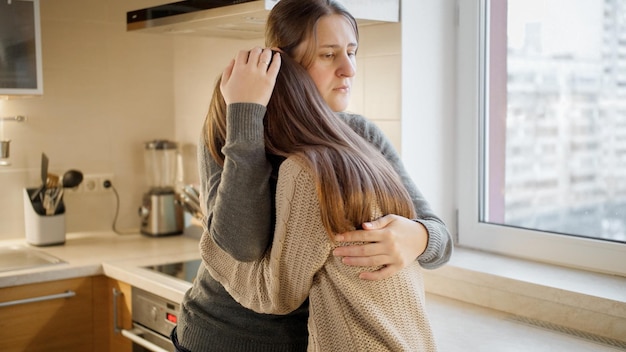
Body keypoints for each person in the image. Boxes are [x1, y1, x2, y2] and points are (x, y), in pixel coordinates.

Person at [172, 0, 452, 351]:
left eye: (351, 52)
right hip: (222, 338)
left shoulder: (360, 135)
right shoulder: (231, 124)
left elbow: (441, 241)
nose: (348, 69)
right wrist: (245, 116)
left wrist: (418, 237)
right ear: (281, 60)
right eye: (329, 55)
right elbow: (240, 245)